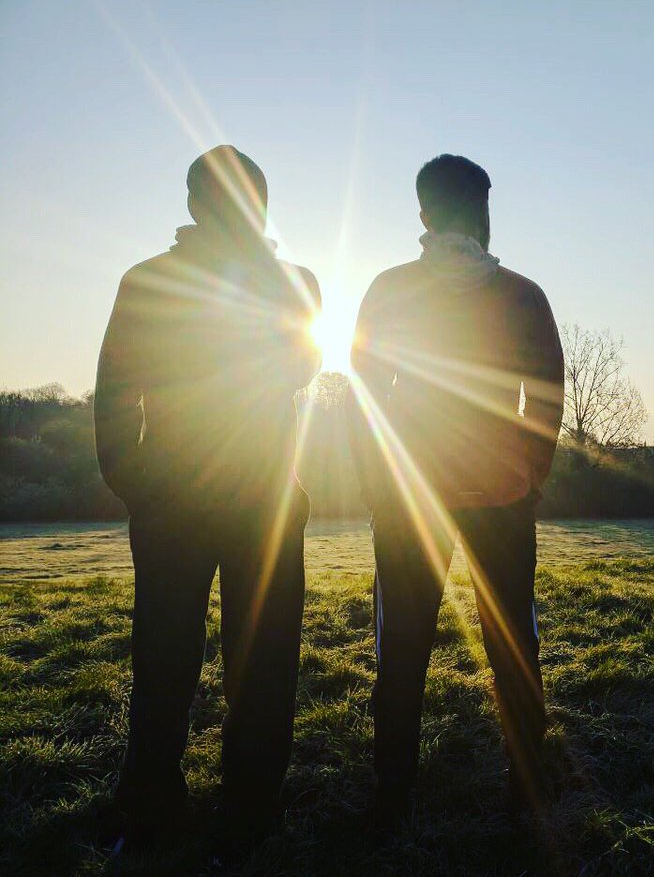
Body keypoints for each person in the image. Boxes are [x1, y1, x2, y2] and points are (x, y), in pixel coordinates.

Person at [94, 146, 321, 851]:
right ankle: (170, 802)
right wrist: (134, 483)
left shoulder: (291, 282)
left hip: (255, 501)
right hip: (190, 500)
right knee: (179, 656)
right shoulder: (158, 281)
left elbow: (301, 362)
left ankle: (235, 806)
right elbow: (114, 390)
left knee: (241, 658)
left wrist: (136, 482)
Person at [350, 154, 565, 827]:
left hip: (411, 496)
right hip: (500, 497)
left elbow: (363, 392)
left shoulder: (388, 288)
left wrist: (378, 480)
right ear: (483, 212)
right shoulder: (522, 293)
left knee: (403, 644)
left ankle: (392, 795)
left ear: (422, 215)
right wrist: (528, 472)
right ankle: (526, 791)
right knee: (512, 644)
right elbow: (547, 396)